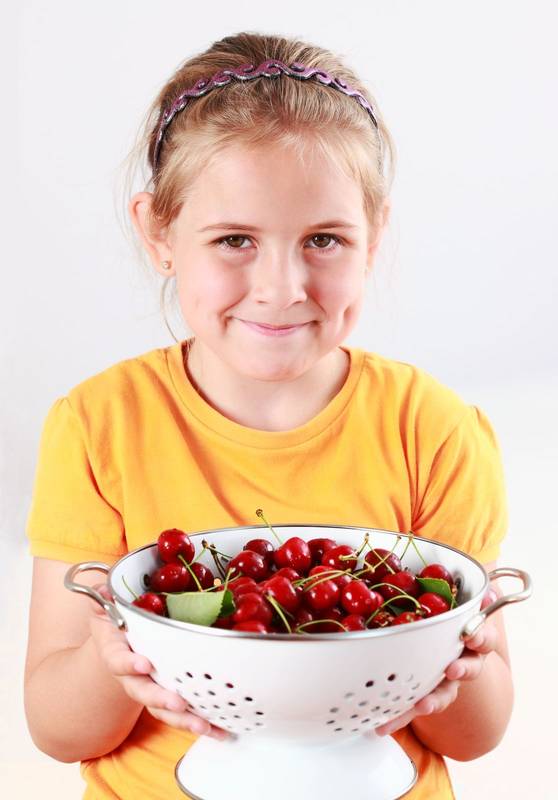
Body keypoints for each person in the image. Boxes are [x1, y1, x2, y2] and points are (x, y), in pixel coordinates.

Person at [23, 31, 513, 800]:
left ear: (374, 237)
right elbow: (58, 730)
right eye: (234, 240)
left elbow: (477, 736)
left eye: (324, 239)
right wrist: (111, 655)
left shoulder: (435, 429)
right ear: (159, 234)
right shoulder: (99, 425)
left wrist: (454, 660)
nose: (281, 288)